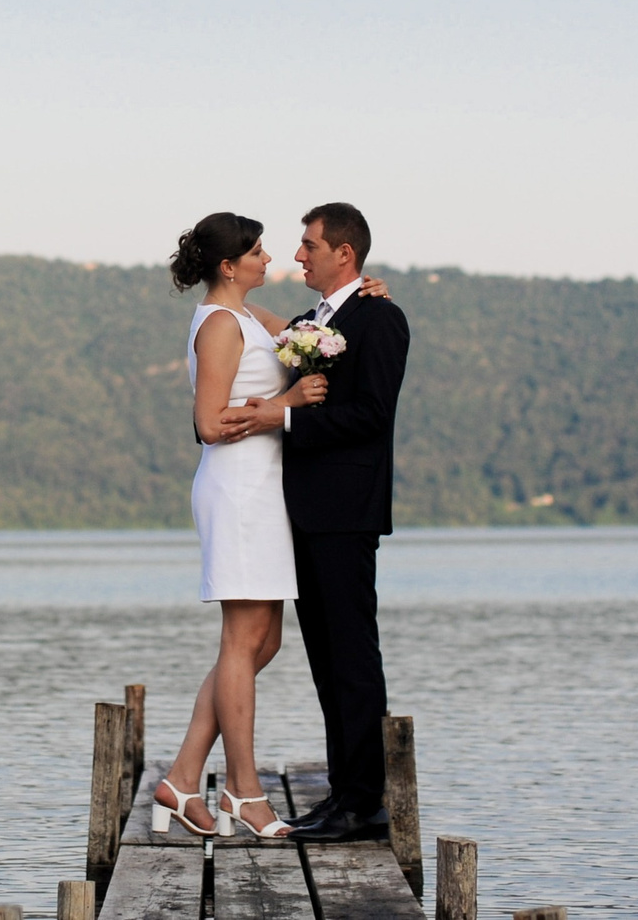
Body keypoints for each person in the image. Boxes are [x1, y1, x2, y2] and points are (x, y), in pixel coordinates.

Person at [150, 211, 388, 841]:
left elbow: (318, 332)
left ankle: (180, 777)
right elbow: (208, 423)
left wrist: (365, 292)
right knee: (241, 640)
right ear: (229, 265)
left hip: (266, 491)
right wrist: (283, 406)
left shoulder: (252, 318)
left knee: (263, 642)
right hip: (237, 490)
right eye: (257, 251)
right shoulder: (221, 325)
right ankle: (244, 792)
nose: (273, 258)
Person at [274, 202, 410, 845]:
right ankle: (342, 794)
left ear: (343, 254)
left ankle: (365, 804)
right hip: (301, 513)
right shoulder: (307, 322)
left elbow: (373, 416)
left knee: (353, 656)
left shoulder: (380, 318)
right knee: (326, 660)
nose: (299, 255)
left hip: (346, 511)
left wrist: (288, 419)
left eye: (308, 245)